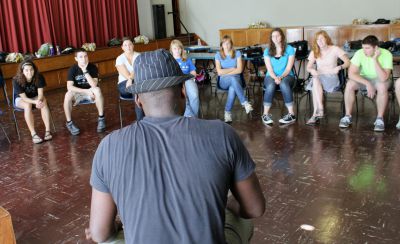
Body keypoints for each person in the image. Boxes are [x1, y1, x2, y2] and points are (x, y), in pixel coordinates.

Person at [86, 49, 265, 244]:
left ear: (138, 100)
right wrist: (228, 204)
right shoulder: (222, 134)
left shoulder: (109, 146)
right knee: (242, 220)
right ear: (183, 91)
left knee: (109, 239)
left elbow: (99, 233)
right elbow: (255, 208)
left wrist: (118, 226)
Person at [339, 35, 393, 131]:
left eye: (367, 48)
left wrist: (375, 59)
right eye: (363, 48)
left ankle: (380, 119)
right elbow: (351, 74)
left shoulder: (386, 54)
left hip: (380, 79)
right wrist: (367, 83)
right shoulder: (360, 53)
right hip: (364, 78)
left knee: (381, 86)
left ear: (376, 47)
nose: (364, 51)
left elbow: (383, 77)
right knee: (350, 84)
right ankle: (347, 116)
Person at [305, 30, 350, 125]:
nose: (320, 41)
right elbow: (308, 67)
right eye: (317, 39)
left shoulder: (335, 49)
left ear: (327, 39)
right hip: (319, 77)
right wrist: (312, 70)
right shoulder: (315, 51)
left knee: (315, 84)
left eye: (322, 38)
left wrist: (339, 67)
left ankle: (315, 114)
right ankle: (320, 109)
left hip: (332, 78)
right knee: (315, 79)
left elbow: (348, 62)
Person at [63, 48, 105, 135]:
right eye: (81, 57)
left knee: (97, 90)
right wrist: (85, 91)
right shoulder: (73, 69)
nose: (84, 59)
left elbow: (94, 85)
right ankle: (69, 123)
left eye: (85, 56)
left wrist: (85, 71)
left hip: (91, 90)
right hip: (79, 92)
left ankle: (101, 118)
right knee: (67, 95)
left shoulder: (92, 67)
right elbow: (69, 87)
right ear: (76, 59)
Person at [262, 28, 296, 125]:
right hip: (271, 76)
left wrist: (280, 77)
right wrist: (275, 77)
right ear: (271, 38)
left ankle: (291, 114)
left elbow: (289, 68)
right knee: (271, 85)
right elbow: (269, 69)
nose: (275, 38)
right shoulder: (267, 51)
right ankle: (265, 114)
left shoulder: (289, 49)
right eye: (273, 36)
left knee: (284, 83)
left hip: (287, 75)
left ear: (282, 37)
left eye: (278, 35)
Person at [215, 35, 253, 123]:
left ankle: (227, 113)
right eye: (224, 43)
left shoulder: (237, 53)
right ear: (222, 45)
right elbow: (219, 72)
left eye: (228, 43)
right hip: (223, 81)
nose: (226, 46)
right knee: (232, 79)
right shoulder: (218, 55)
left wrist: (226, 72)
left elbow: (239, 70)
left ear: (231, 44)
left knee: (233, 87)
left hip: (237, 79)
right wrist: (232, 69)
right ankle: (244, 102)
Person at [12, 60, 52, 144]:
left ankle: (48, 131)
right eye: (26, 70)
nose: (29, 72)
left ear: (34, 70)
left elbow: (40, 94)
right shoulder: (16, 80)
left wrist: (39, 100)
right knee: (28, 105)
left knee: (44, 101)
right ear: (22, 71)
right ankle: (33, 134)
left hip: (35, 97)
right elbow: (24, 98)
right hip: (20, 99)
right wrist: (35, 102)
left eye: (31, 69)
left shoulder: (39, 76)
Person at [115, 37, 144, 121]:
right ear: (122, 47)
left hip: (137, 84)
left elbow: (139, 71)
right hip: (124, 85)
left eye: (130, 44)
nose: (128, 47)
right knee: (137, 89)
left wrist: (131, 79)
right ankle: (141, 121)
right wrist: (131, 77)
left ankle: (143, 120)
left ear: (133, 45)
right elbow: (126, 75)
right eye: (125, 45)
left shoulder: (139, 56)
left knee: (137, 90)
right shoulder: (119, 59)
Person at [170, 39, 200, 117]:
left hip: (188, 80)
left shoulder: (186, 60)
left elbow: (194, 73)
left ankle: (194, 117)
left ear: (181, 49)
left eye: (179, 48)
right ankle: (192, 119)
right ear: (171, 50)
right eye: (175, 48)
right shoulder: (170, 61)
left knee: (194, 95)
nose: (177, 50)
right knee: (183, 96)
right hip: (176, 82)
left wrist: (184, 76)